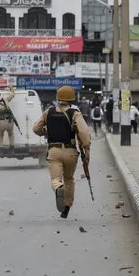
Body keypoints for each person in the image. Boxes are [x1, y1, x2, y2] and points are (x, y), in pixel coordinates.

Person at [33, 86, 90, 219]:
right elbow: (84, 132)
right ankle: (66, 208)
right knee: (69, 179)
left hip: (54, 151)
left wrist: (45, 132)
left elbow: (36, 128)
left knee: (56, 179)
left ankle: (59, 188)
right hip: (70, 152)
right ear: (71, 99)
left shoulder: (48, 112)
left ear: (58, 98)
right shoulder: (75, 113)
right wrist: (86, 149)